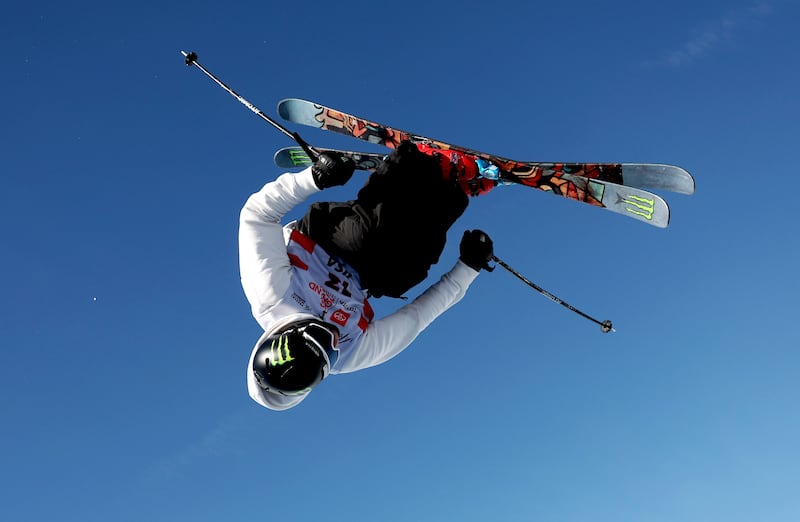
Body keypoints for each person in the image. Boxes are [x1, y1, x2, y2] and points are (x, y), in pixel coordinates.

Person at [238, 140, 495, 411]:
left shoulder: (271, 294)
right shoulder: (351, 355)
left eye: (320, 334)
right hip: (366, 276)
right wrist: (469, 266)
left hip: (321, 238)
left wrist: (313, 179)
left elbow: (257, 216)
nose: (334, 337)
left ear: (287, 331)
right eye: (330, 348)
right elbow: (417, 316)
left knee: (369, 239)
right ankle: (453, 188)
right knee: (408, 270)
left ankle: (419, 161)